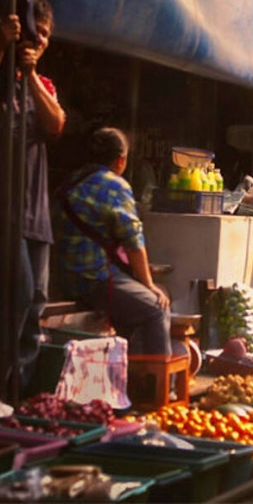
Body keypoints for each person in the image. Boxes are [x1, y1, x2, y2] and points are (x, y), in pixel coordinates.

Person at [0, 0, 65, 394]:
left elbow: (55, 125)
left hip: (37, 214)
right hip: (1, 209)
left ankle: (20, 392)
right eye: (35, 34)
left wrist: (32, 74)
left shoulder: (43, 84)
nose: (39, 41)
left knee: (35, 302)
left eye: (45, 36)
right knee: (15, 295)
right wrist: (0, 48)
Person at [56, 127, 170, 356]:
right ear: (120, 160)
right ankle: (158, 387)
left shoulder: (72, 182)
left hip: (66, 278)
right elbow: (133, 242)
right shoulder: (115, 186)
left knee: (139, 308)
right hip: (95, 280)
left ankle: (130, 376)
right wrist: (149, 284)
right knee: (157, 307)